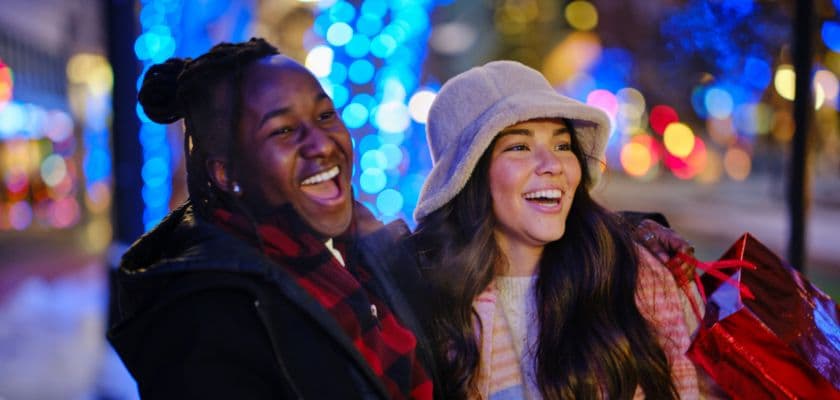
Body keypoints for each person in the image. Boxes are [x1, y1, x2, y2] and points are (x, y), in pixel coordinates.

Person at [107, 38, 437, 399]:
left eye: (325, 115)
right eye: (282, 130)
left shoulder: (352, 249)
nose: (323, 144)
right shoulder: (207, 322)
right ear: (228, 173)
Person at [410, 61, 701, 399]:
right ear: (469, 176)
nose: (553, 166)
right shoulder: (425, 303)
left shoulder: (635, 276)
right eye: (519, 147)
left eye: (563, 146)